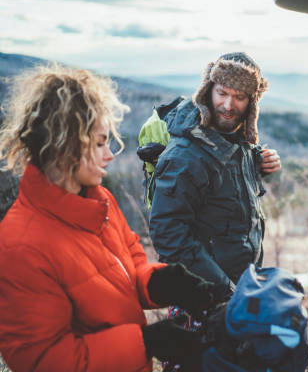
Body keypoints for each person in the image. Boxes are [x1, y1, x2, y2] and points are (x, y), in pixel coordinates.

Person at [0, 65, 216, 371]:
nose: (110, 154)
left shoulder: (98, 202)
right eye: (100, 143)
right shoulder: (21, 247)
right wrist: (147, 342)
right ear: (65, 145)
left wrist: (162, 283)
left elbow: (127, 270)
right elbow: (43, 361)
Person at [148, 52, 281, 301]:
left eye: (239, 97)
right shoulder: (184, 155)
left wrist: (257, 165)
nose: (228, 105)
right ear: (207, 90)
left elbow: (225, 200)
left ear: (251, 103)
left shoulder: (235, 141)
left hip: (240, 286)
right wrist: (223, 293)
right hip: (206, 299)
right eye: (222, 93)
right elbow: (169, 238)